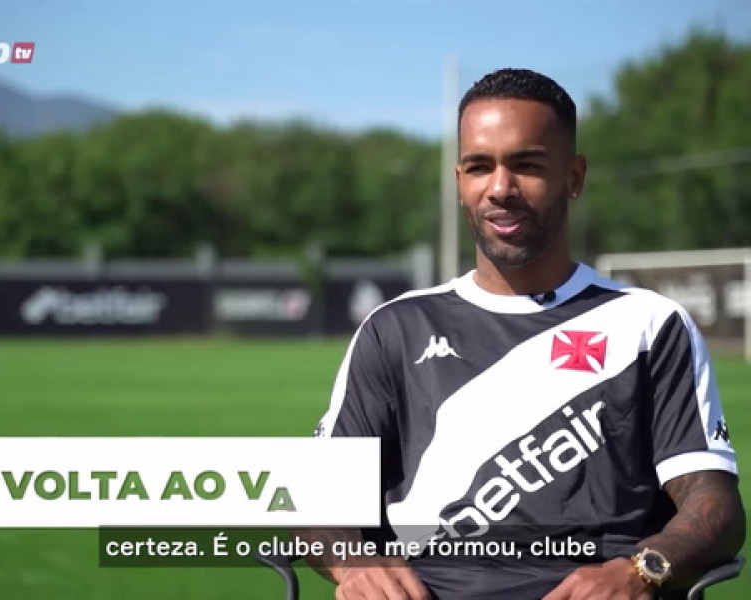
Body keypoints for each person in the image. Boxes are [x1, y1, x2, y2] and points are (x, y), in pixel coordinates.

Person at [298, 68, 745, 599]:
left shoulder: (650, 324)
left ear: (573, 177)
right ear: (459, 181)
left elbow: (714, 502)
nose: (500, 188)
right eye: (479, 167)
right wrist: (353, 565)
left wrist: (642, 569)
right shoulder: (395, 328)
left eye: (527, 165)